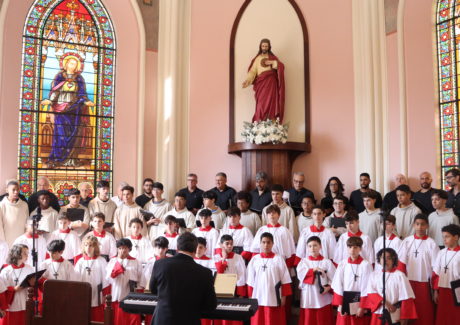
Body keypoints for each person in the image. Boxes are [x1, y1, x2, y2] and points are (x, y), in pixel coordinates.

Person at [149, 232, 217, 325]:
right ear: (194, 250)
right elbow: (211, 305)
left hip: (163, 319)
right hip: (189, 320)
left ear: (177, 248)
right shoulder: (205, 273)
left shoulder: (160, 264)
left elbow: (153, 290)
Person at [40, 54, 94, 167]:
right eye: (70, 63)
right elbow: (55, 89)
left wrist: (85, 102)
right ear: (65, 64)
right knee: (60, 135)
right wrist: (50, 100)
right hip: (60, 109)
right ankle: (57, 159)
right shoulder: (60, 76)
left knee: (74, 134)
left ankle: (71, 160)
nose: (72, 65)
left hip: (74, 110)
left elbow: (82, 93)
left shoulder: (79, 78)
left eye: (75, 64)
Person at [398, 214, 439, 325]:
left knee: (424, 313)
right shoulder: (407, 241)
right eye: (417, 224)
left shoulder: (432, 243)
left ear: (427, 226)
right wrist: (401, 283)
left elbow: (436, 268)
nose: (420, 227)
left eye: (422, 224)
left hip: (425, 284)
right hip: (408, 283)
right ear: (414, 225)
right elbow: (401, 264)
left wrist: (435, 289)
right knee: (409, 312)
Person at [247, 232, 292, 325]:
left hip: (274, 297)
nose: (266, 245)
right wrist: (251, 297)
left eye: (268, 242)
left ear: (272, 244)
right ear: (260, 243)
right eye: (263, 242)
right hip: (258, 296)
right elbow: (250, 281)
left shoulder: (279, 259)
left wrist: (284, 297)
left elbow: (285, 280)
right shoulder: (255, 259)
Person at [365, 248, 417, 325]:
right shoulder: (374, 275)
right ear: (379, 259)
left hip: (394, 313)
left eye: (389, 258)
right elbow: (370, 293)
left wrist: (404, 319)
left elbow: (407, 299)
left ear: (393, 260)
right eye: (383, 258)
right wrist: (385, 303)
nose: (385, 260)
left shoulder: (400, 275)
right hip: (378, 313)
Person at [331, 237, 373, 325]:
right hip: (344, 301)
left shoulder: (365, 265)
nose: (352, 250)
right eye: (350, 247)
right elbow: (338, 284)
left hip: (359, 302)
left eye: (355, 247)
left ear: (360, 249)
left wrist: (362, 306)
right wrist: (340, 304)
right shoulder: (343, 264)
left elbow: (367, 287)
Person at [242, 38, 285, 123]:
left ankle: (271, 124)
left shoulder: (273, 58)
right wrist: (248, 80)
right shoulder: (257, 59)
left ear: (269, 47)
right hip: (261, 84)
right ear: (260, 47)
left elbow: (282, 66)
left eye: (266, 46)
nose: (264, 47)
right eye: (263, 46)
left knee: (271, 104)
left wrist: (273, 63)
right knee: (260, 105)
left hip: (271, 84)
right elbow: (253, 71)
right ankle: (259, 123)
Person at [296, 236, 336, 325]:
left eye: (315, 245)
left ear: (320, 246)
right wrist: (313, 270)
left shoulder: (327, 262)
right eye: (310, 246)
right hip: (308, 295)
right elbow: (300, 275)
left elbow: (334, 278)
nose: (312, 248)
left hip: (323, 296)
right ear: (307, 248)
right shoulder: (304, 262)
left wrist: (328, 287)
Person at [74, 235, 110, 322]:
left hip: (97, 293)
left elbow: (105, 279)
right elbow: (76, 279)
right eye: (86, 245)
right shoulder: (80, 261)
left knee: (97, 318)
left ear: (95, 247)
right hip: (83, 292)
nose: (88, 248)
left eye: (90, 245)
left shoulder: (101, 260)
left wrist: (105, 294)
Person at [106, 238, 142, 325]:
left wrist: (139, 293)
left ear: (129, 249)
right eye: (120, 248)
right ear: (117, 249)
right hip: (117, 293)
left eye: (125, 248)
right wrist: (119, 262)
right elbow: (109, 277)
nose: (122, 250)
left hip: (131, 295)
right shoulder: (112, 261)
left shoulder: (136, 261)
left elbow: (141, 279)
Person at [432, 224, 460, 324]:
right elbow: (436, 273)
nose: (444, 239)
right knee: (442, 316)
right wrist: (436, 291)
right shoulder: (441, 252)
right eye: (443, 237)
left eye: (447, 236)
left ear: (456, 237)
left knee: (455, 316)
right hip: (443, 289)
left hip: (457, 290)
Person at [0, 244, 35, 324]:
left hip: (25, 302)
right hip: (11, 305)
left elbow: (34, 287)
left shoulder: (29, 269)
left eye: (27, 253)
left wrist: (33, 284)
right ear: (17, 254)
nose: (27, 255)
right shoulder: (6, 271)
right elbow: (2, 290)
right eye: (24, 253)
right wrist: (14, 289)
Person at [0, 180, 29, 246]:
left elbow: (27, 223)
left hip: (21, 240)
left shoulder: (24, 205)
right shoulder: (2, 205)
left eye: (17, 189)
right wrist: (3, 242)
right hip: (6, 241)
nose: (16, 192)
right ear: (7, 190)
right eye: (13, 190)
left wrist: (25, 239)